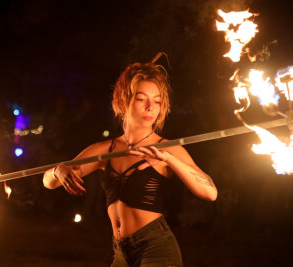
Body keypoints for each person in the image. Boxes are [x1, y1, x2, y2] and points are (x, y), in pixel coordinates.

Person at [43, 54, 217, 267]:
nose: (150, 107)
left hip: (156, 247)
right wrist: (59, 170)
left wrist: (170, 159)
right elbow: (48, 182)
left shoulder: (166, 147)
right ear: (124, 100)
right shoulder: (105, 150)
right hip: (120, 253)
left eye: (157, 101)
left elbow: (210, 193)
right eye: (141, 99)